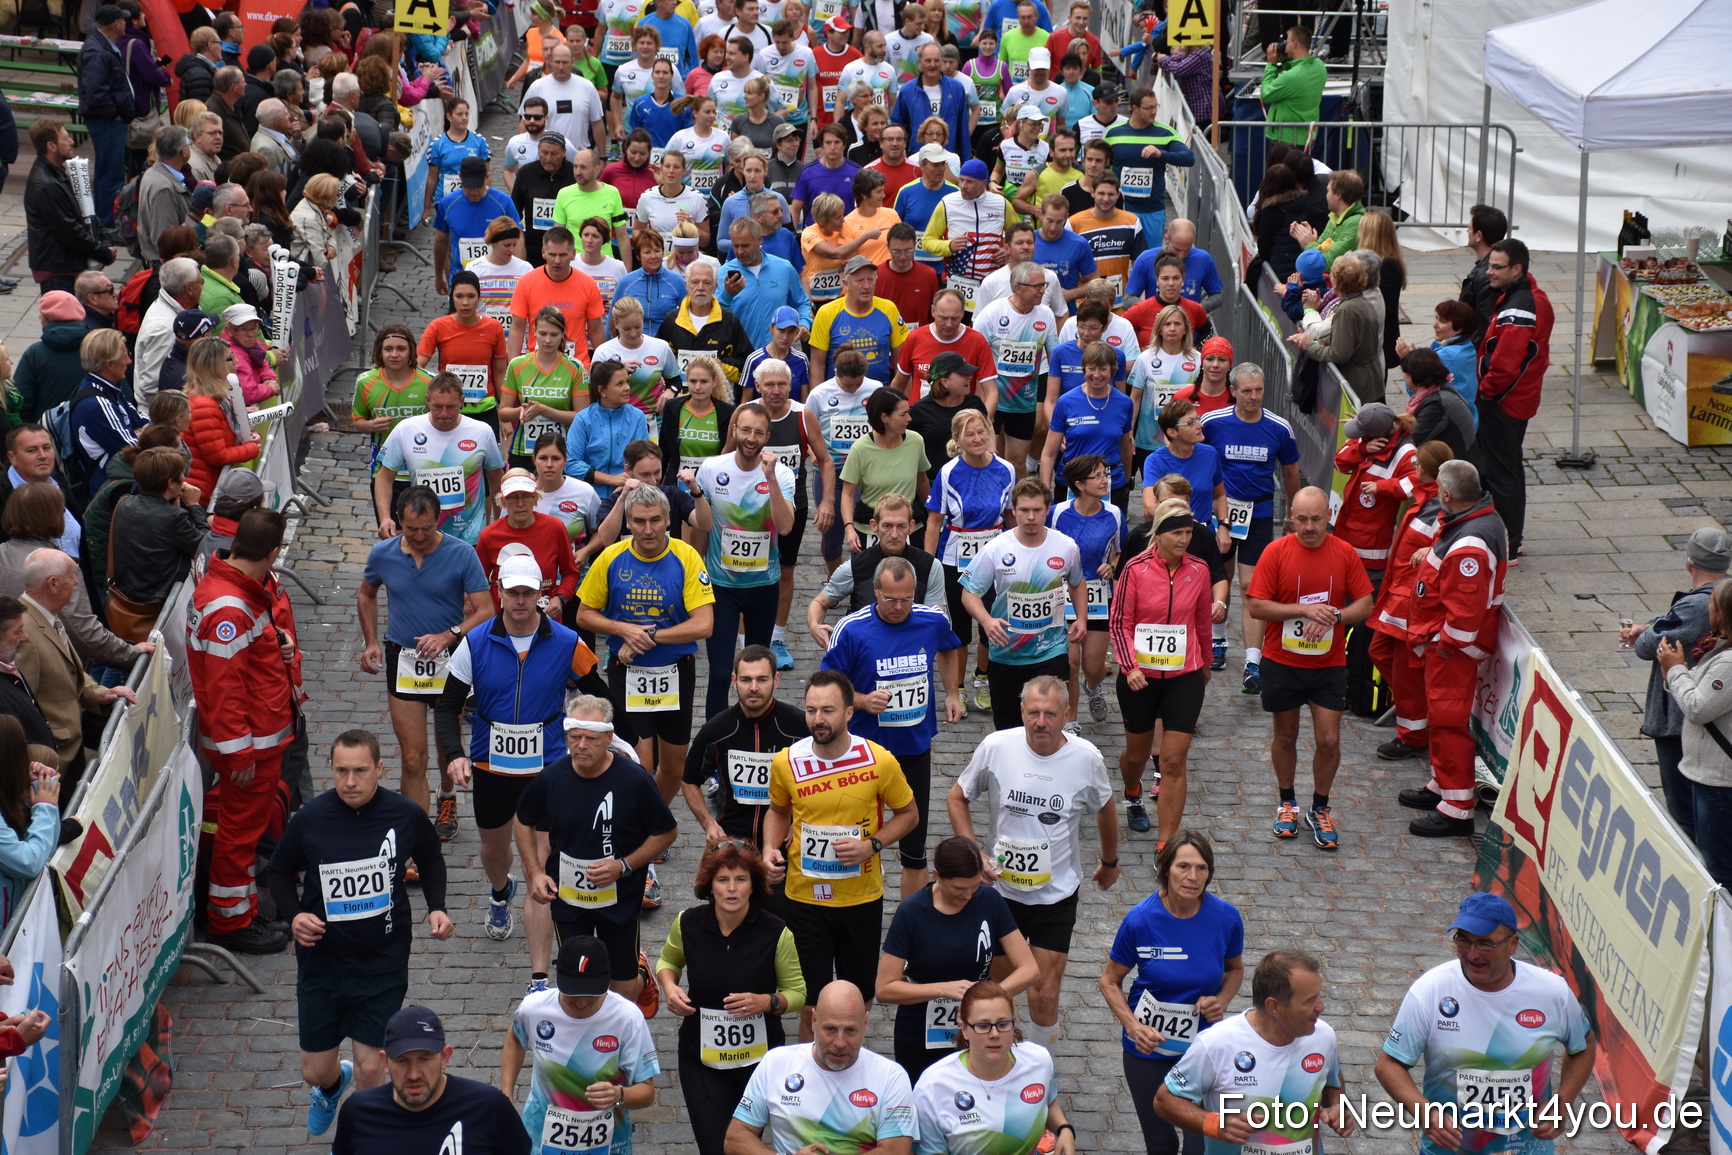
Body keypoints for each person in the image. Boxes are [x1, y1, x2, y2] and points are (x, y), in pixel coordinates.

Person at [267, 730, 453, 1135]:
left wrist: (436, 907)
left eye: (360, 771)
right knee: (314, 1070)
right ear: (330, 769)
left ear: (379, 770)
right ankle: (332, 1087)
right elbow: (278, 872)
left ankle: (365, 1139)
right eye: (341, 771)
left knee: (372, 1070)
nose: (350, 781)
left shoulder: (404, 814)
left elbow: (431, 860)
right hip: (322, 963)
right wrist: (295, 915)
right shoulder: (312, 819)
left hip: (381, 962)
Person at [946, 675, 1116, 1047]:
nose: (1041, 722)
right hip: (999, 894)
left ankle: (1040, 1075)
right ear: (1021, 712)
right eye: (1034, 713)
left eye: (1051, 714)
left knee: (1044, 994)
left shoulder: (1086, 758)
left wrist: (1110, 860)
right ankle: (982, 1055)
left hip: (1055, 896)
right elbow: (957, 797)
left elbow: (1105, 809)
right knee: (993, 989)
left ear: (1067, 714)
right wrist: (975, 852)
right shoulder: (996, 747)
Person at [1376, 893, 1596, 1153]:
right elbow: (1388, 1065)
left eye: (1484, 944)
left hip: (1526, 1147)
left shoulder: (1551, 992)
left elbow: (1583, 1046)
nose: (1471, 954)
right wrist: (1424, 1112)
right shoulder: (1430, 990)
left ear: (1512, 944)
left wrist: (1563, 1101)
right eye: (1463, 940)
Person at [763, 671, 918, 1036]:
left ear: (849, 712)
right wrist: (770, 847)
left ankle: (851, 1074)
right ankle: (808, 1084)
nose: (818, 719)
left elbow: (909, 814)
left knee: (858, 1003)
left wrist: (872, 844)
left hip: (860, 898)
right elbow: (778, 811)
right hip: (804, 898)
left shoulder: (878, 760)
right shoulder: (786, 762)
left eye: (828, 710)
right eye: (812, 710)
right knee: (810, 1005)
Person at [186, 510, 300, 952]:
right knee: (238, 835)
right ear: (272, 553)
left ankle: (242, 912)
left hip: (256, 740)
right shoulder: (229, 606)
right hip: (250, 747)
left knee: (243, 832)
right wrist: (240, 757)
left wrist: (278, 645)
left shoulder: (232, 593)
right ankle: (231, 923)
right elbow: (225, 690)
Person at [515, 695, 677, 1000]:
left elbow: (667, 832)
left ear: (608, 738)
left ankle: (641, 975)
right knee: (577, 984)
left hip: (620, 896)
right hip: (569, 897)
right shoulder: (551, 778)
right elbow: (523, 819)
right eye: (575, 737)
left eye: (590, 738)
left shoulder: (635, 780)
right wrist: (535, 873)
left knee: (623, 992)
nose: (582, 745)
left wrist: (624, 865)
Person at [819, 554, 960, 897]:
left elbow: (949, 649)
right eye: (891, 599)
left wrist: (953, 692)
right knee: (859, 836)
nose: (899, 607)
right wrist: (863, 700)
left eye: (907, 599)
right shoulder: (851, 628)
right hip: (866, 752)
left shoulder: (932, 621)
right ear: (875, 591)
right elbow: (826, 685)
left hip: (914, 746)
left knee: (914, 847)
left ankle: (912, 927)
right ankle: (856, 905)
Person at [1244, 486, 1374, 850]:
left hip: (1328, 664)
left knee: (1328, 739)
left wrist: (1336, 616)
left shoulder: (1344, 553)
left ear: (1328, 517)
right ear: (1291, 520)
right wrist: (1303, 610)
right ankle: (1287, 801)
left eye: (1316, 519)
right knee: (1285, 737)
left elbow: (1364, 603)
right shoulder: (1276, 552)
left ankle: (1319, 807)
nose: (1309, 527)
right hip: (1283, 662)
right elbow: (1256, 606)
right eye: (1301, 519)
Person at [657, 840, 806, 1155]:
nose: (731, 889)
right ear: (709, 886)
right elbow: (668, 962)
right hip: (702, 1059)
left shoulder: (776, 933)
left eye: (741, 879)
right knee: (715, 1147)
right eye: (723, 880)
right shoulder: (688, 924)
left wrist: (766, 1002)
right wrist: (669, 988)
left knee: (741, 1146)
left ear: (754, 885)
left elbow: (797, 993)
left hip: (759, 1062)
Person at [358, 487, 492, 836]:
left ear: (439, 520)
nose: (418, 537)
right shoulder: (382, 554)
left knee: (447, 748)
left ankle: (447, 797)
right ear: (398, 520)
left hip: (451, 660)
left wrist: (449, 634)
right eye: (411, 529)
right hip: (403, 658)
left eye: (427, 529)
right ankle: (415, 834)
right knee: (413, 756)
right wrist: (371, 640)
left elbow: (487, 610)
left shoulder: (462, 554)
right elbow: (366, 593)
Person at [1100, 831, 1244, 1155]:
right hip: (1147, 1051)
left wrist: (1220, 1001)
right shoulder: (1140, 920)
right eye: (1183, 867)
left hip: (1201, 1050)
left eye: (1202, 868)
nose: (1193, 877)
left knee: (1199, 1143)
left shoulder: (1226, 919)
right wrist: (1132, 1026)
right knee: (1161, 1144)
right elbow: (1109, 980)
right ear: (1166, 869)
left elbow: (1235, 969)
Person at [578, 483, 715, 800]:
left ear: (668, 519)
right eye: (639, 521)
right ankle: (638, 833)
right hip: (626, 672)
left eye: (655, 520)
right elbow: (585, 614)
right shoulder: (612, 557)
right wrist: (624, 630)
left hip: (676, 672)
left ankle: (656, 821)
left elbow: (704, 624)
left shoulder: (686, 556)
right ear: (628, 522)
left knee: (673, 767)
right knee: (639, 763)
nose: (648, 529)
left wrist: (648, 636)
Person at [1400, 460, 1507, 839]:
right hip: (1446, 646)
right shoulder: (1470, 522)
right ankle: (1442, 787)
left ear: (1446, 494)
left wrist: (1442, 648)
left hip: (1452, 652)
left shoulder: (1470, 545)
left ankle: (1457, 808)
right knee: (1441, 718)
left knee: (1446, 721)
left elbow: (1464, 614)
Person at [1154, 950, 1353, 1153]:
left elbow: (1332, 1081)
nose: (1321, 1007)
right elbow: (1165, 1100)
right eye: (1310, 1001)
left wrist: (1338, 1106)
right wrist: (1215, 1124)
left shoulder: (1323, 1036)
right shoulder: (1216, 1044)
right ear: (1274, 1007)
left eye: (1318, 996)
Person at [877, 836, 1036, 1083]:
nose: (968, 896)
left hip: (977, 1030)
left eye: (974, 887)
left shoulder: (990, 901)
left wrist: (983, 1000)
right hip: (920, 1032)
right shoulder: (911, 911)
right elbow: (885, 989)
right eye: (959, 889)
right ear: (937, 875)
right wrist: (945, 989)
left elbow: (1029, 969)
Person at [502, 935, 661, 1155]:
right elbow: (515, 1039)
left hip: (607, 1144)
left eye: (591, 994)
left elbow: (647, 1092)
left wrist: (618, 1095)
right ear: (558, 976)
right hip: (541, 1139)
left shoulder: (628, 1017)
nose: (581, 1002)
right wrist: (506, 1092)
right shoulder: (533, 1008)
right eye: (573, 993)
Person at [1623, 528, 1731, 835]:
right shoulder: (1724, 594)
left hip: (1681, 719)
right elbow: (1676, 622)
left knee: (1687, 815)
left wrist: (1649, 636)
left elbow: (1649, 647)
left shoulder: (1700, 603)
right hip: (1704, 719)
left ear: (1689, 561)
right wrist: (1653, 626)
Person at [726, 980, 915, 1155]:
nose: (840, 1042)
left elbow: (896, 1151)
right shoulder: (776, 1063)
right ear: (814, 1020)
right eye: (830, 1029)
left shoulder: (891, 1076)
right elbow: (735, 1139)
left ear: (865, 1024)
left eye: (850, 1030)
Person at [1200, 366, 1300, 691]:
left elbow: (1290, 471)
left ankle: (1253, 663)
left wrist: (1293, 511)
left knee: (1251, 587)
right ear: (1233, 390)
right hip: (1222, 513)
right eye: (1247, 391)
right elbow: (1196, 459)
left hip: (1259, 513)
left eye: (1259, 390)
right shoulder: (1213, 423)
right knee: (1220, 580)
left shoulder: (1278, 427)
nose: (1254, 397)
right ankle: (1217, 641)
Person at [694, 401, 797, 716]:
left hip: (763, 587)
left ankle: (755, 733)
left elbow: (785, 526)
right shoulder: (712, 468)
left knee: (757, 676)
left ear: (767, 436)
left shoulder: (781, 474)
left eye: (759, 432)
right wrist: (694, 565)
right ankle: (713, 746)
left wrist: (772, 480)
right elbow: (699, 523)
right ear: (734, 430)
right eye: (746, 430)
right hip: (721, 586)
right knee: (722, 673)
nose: (751, 438)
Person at [959, 479, 1084, 730]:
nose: (1031, 517)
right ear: (1013, 510)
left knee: (1048, 726)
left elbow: (1077, 582)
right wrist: (986, 620)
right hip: (1007, 653)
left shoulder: (1066, 546)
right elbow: (969, 593)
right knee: (1009, 731)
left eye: (1037, 510)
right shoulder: (996, 548)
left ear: (1047, 509)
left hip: (1051, 650)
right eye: (1024, 510)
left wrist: (1082, 617)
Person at [329, 1005, 530, 1155]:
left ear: (445, 1057)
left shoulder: (489, 1107)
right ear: (385, 1062)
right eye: (402, 1061)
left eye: (424, 1059)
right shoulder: (357, 1113)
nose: (414, 1074)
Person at [909, 980, 1071, 1155]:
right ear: (963, 1028)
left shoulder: (1039, 1060)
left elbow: (1049, 1100)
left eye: (1002, 1024)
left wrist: (1064, 1129)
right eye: (983, 1026)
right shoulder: (932, 1087)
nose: (994, 1034)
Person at [1366, 440, 1450, 765]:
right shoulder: (1425, 498)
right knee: (1382, 654)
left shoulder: (1439, 507)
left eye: (1417, 466)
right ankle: (1414, 717)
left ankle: (1413, 734)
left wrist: (1432, 552)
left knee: (1402, 665)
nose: (1412, 469)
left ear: (1427, 471)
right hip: (1400, 595)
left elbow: (1448, 544)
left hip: (1415, 601)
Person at [1472, 238, 1550, 563]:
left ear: (1517, 269)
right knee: (1510, 469)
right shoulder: (1528, 296)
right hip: (1517, 399)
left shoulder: (1521, 306)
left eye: (1496, 266)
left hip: (1504, 402)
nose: (1488, 271)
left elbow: (1505, 364)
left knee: (1502, 472)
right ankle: (1510, 538)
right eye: (1489, 264)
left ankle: (1507, 543)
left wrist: (1487, 391)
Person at [682, 644, 809, 845]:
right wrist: (708, 824)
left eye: (762, 679)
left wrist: (804, 820)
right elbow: (689, 780)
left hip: (786, 842)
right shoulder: (717, 729)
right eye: (746, 680)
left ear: (776, 680)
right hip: (734, 843)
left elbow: (830, 776)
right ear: (734, 681)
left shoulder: (800, 727)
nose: (754, 688)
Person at [1657, 578, 1732, 887]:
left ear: (1722, 613)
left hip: (1719, 782)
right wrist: (1673, 672)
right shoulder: (1720, 648)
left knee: (1718, 867)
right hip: (1710, 776)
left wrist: (1675, 670)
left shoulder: (1728, 662)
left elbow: (1699, 707)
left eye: (1711, 602)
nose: (1707, 606)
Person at [373, 374, 507, 546]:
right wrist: (385, 518)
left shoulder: (482, 432)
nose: (444, 414)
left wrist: (500, 523)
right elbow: (384, 476)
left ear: (462, 401)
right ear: (427, 400)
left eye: (451, 407)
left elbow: (497, 479)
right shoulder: (406, 429)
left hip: (469, 536)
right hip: (422, 534)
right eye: (437, 406)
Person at [105, 446, 208, 620]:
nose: (185, 478)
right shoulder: (174, 518)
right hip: (158, 609)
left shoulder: (125, 503)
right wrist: (194, 505)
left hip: (128, 597)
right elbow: (206, 546)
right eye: (182, 474)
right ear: (171, 483)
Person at [1330, 401, 1415, 581]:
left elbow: (1416, 484)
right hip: (1348, 533)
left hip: (1371, 551)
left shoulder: (1406, 453)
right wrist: (1361, 449)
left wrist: (1382, 487)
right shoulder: (1368, 439)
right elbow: (1339, 462)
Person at [498, 309, 589, 472]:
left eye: (554, 335)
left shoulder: (575, 367)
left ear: (563, 334)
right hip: (523, 451)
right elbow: (503, 412)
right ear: (534, 331)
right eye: (543, 333)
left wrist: (544, 410)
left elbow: (582, 417)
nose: (547, 340)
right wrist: (523, 410)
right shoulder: (517, 365)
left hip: (561, 452)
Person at [1103, 86, 1194, 243]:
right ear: (1134, 108)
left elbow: (1188, 158)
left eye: (1155, 107)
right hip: (1119, 208)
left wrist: (1161, 154)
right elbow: (1101, 165)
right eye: (1149, 108)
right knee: (1118, 261)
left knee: (1150, 260)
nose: (1154, 112)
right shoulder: (1113, 133)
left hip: (1152, 209)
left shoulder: (1165, 133)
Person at [508, 226, 608, 364]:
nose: (557, 261)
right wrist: (513, 368)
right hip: (536, 367)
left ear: (573, 254)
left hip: (576, 368)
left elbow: (596, 331)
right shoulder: (526, 282)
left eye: (563, 255)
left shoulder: (588, 284)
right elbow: (517, 329)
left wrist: (604, 368)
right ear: (543, 253)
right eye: (552, 254)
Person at [76, 6, 137, 228]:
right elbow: (96, 92)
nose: (126, 24)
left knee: (109, 172)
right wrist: (114, 115)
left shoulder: (102, 46)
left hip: (109, 120)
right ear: (116, 23)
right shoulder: (96, 51)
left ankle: (105, 221)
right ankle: (106, 223)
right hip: (107, 122)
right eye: (124, 19)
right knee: (110, 174)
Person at [718, 218, 815, 349]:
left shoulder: (784, 268)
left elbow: (801, 302)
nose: (740, 252)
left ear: (759, 240)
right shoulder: (722, 274)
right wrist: (727, 295)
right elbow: (712, 316)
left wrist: (804, 323)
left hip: (780, 358)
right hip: (741, 358)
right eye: (735, 246)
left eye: (745, 245)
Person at [0, 712, 59, 925]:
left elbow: (46, 848)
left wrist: (42, 788)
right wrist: (44, 806)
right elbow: (29, 862)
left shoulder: (8, 797)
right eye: (22, 746)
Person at [522, 44, 607, 152]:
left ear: (572, 62)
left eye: (565, 62)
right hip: (546, 156)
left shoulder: (587, 87)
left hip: (578, 157)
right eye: (557, 62)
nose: (561, 67)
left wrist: (602, 157)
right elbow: (524, 123)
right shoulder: (536, 87)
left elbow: (597, 123)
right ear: (551, 62)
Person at [1400, 348, 1476, 460]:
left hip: (1454, 469)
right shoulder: (1438, 391)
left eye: (1406, 373)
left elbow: (1412, 440)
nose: (1403, 377)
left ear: (1416, 376)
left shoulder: (1437, 405)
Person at [1258, 24, 1325, 145]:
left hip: (1285, 139)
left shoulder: (1291, 77)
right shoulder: (1319, 66)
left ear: (1295, 44)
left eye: (1287, 41)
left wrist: (1271, 65)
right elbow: (1296, 74)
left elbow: (1266, 94)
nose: (1284, 45)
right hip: (1305, 137)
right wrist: (1285, 61)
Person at [1290, 169, 1366, 271]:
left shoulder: (1356, 223)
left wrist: (1309, 244)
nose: (1326, 195)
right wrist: (1307, 239)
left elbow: (1329, 263)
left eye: (1328, 191)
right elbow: (1320, 252)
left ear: (1338, 195)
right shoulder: (1334, 217)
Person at [1458, 203, 1509, 346]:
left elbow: (1486, 325)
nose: (1467, 231)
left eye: (1470, 228)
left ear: (1479, 236)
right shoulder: (1487, 268)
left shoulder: (1487, 275)